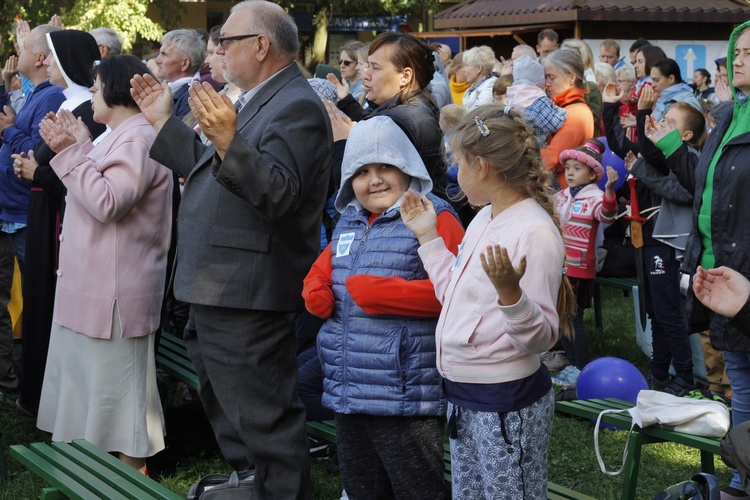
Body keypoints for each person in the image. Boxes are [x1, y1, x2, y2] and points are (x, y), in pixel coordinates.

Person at [130, 1, 332, 495]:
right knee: (228, 410)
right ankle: (251, 486)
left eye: (227, 41)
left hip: (249, 289)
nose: (218, 49)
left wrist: (228, 142)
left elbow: (279, 195)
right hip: (219, 283)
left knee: (263, 416)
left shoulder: (297, 105)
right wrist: (164, 123)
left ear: (260, 45)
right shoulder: (253, 97)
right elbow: (210, 171)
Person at [400, 104, 574, 499]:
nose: (454, 174)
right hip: (466, 396)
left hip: (505, 401)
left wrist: (512, 295)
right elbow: (456, 298)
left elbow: (542, 338)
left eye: (459, 163)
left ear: (481, 167)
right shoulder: (483, 218)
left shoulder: (533, 232)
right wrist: (428, 237)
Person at [303, 115, 463, 499]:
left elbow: (459, 295)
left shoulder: (435, 216)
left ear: (407, 167)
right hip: (348, 387)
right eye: (361, 171)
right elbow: (326, 265)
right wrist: (315, 287)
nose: (374, 180)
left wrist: (385, 293)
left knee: (416, 488)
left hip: (403, 393)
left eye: (385, 167)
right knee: (362, 487)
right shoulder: (350, 220)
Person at [33, 55, 171, 474]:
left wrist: (70, 153)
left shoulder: (138, 139)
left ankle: (132, 479)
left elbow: (108, 202)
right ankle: (88, 472)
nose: (89, 96)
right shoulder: (118, 134)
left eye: (94, 88)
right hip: (91, 288)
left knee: (123, 402)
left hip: (114, 295)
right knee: (89, 391)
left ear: (114, 90)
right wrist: (78, 147)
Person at [662, 22, 750, 499]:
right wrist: (673, 148)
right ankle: (741, 479)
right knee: (741, 381)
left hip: (747, 278)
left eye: (748, 53)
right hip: (723, 278)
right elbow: (708, 192)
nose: (735, 60)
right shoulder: (728, 114)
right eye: (737, 52)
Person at [11, 29, 107, 416]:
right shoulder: (69, 105)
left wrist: (38, 173)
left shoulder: (87, 111)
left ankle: (46, 398)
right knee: (37, 300)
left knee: (49, 303)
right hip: (43, 211)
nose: (46, 63)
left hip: (57, 217)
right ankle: (36, 393)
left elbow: (83, 173)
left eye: (51, 57)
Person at [0, 23, 65, 400]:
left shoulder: (52, 97)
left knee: (42, 299)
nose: (16, 52)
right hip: (11, 210)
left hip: (27, 213)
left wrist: (10, 131)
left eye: (22, 47)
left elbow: (35, 152)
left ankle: (41, 387)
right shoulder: (39, 92)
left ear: (39, 57)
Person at [331, 32, 447, 200]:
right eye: (367, 65)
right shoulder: (414, 108)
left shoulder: (394, 122)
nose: (366, 74)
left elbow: (356, 188)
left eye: (375, 67)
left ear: (405, 76)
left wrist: (342, 142)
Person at [552, 140, 618, 386]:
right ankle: (570, 364)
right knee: (562, 317)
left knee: (574, 319)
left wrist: (610, 191)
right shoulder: (559, 197)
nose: (569, 172)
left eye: (577, 168)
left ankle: (580, 369)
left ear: (592, 174)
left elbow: (607, 215)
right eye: (567, 167)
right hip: (559, 266)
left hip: (579, 268)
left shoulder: (596, 198)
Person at [541, 49, 594, 190]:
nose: (547, 83)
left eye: (552, 77)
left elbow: (550, 159)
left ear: (571, 78)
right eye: (546, 78)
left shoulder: (577, 113)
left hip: (562, 191)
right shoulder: (567, 108)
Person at [505, 55, 566, 146]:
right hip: (535, 150)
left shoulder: (512, 97)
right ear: (540, 82)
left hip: (517, 148)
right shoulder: (538, 101)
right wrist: (562, 111)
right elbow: (554, 124)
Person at [155, 29, 205, 120]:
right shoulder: (173, 90)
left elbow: (176, 133)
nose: (157, 60)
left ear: (184, 63)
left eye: (164, 55)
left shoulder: (192, 98)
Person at [649, 58, 702, 122]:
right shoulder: (660, 102)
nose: (653, 85)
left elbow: (694, 130)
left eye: (656, 80)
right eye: (652, 80)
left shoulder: (688, 102)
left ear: (671, 79)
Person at [461, 45, 497, 111]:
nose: (464, 70)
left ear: (478, 68)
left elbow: (479, 119)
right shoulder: (475, 88)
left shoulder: (487, 92)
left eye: (467, 66)